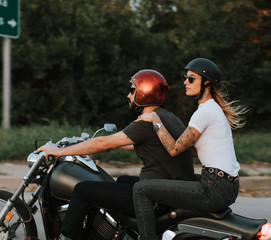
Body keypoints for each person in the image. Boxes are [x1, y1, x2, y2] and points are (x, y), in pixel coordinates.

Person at [37, 69, 194, 240]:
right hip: (168, 193)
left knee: (82, 190)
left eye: (132, 90)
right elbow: (139, 144)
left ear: (144, 93)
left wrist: (59, 151)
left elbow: (103, 144)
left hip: (154, 199)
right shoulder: (168, 117)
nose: (128, 95)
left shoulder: (146, 121)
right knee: (122, 180)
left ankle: (66, 237)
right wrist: (108, 144)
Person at [133, 58, 247, 240]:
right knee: (178, 179)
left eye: (191, 78)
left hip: (213, 188)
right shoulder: (212, 109)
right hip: (226, 185)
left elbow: (174, 149)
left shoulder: (204, 112)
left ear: (206, 83)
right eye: (185, 77)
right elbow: (190, 148)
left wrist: (155, 120)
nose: (185, 82)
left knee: (141, 189)